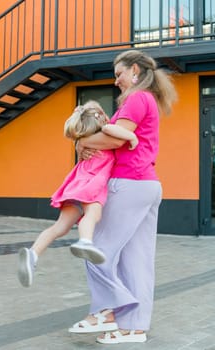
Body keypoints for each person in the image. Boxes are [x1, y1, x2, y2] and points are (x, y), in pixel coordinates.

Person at [68, 49, 177, 344]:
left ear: (135, 72)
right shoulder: (147, 100)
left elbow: (117, 137)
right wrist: (86, 144)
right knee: (136, 260)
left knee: (96, 248)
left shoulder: (137, 98)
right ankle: (134, 328)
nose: (116, 81)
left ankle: (107, 310)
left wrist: (80, 140)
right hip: (147, 185)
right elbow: (117, 138)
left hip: (128, 184)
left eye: (119, 74)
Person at [17, 100, 138, 288]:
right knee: (92, 215)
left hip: (75, 185)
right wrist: (132, 137)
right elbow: (117, 135)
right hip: (91, 186)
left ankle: (33, 254)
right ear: (101, 117)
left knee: (60, 227)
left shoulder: (86, 142)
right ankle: (85, 242)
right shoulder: (105, 132)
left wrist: (79, 143)